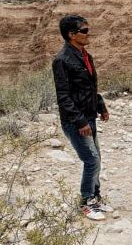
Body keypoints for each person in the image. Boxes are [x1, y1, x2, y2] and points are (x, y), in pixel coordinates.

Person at [52, 15, 113, 221]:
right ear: (71, 35)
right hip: (76, 121)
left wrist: (101, 106)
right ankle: (86, 203)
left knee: (97, 158)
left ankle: (95, 197)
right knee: (91, 159)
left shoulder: (86, 56)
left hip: (89, 116)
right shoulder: (62, 60)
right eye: (84, 31)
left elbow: (90, 87)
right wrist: (79, 121)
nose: (89, 34)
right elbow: (63, 97)